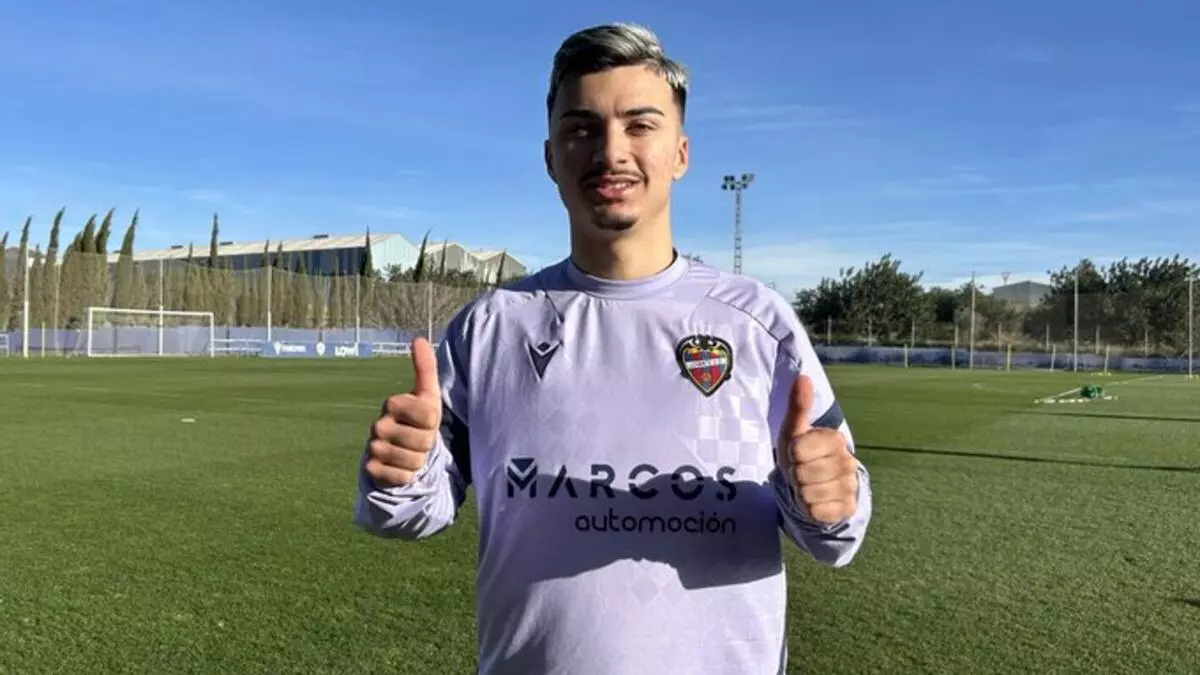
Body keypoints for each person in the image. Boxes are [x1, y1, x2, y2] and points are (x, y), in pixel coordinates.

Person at [354, 21, 873, 675]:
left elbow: (837, 533)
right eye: (581, 128)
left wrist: (829, 498)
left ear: (680, 152)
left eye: (640, 125)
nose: (610, 151)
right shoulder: (491, 327)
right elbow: (411, 513)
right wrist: (396, 476)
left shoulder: (756, 322)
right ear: (551, 157)